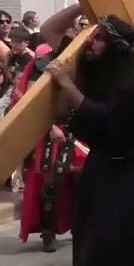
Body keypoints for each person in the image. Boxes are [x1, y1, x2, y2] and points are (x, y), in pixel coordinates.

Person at [43, 14, 134, 266]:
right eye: (92, 36)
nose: (90, 42)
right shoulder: (92, 63)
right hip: (105, 158)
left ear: (115, 45)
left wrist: (67, 86)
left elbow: (109, 120)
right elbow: (48, 31)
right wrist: (82, 3)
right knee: (86, 226)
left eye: (98, 38)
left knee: (121, 233)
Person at [12, 40, 87, 253]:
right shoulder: (34, 74)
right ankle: (48, 231)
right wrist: (51, 126)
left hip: (77, 128)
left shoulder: (78, 68)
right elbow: (26, 106)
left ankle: (80, 226)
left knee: (83, 180)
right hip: (48, 132)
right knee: (52, 183)